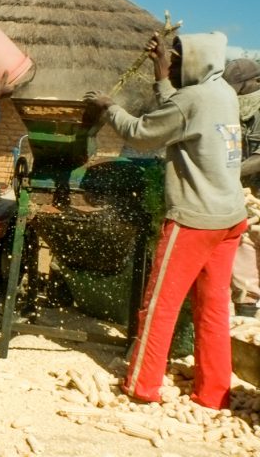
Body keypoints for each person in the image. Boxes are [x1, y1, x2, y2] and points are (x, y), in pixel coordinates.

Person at [84, 31, 246, 409]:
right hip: (229, 217)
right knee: (213, 307)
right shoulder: (221, 92)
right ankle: (212, 393)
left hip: (194, 220)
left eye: (176, 59)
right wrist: (160, 74)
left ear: (194, 62)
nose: (173, 63)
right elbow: (181, 112)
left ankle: (142, 385)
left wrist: (110, 108)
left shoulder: (191, 100)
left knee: (160, 305)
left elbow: (142, 135)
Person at [224, 58, 260, 318]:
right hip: (247, 192)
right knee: (244, 244)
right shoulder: (233, 108)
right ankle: (247, 311)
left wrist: (227, 173)